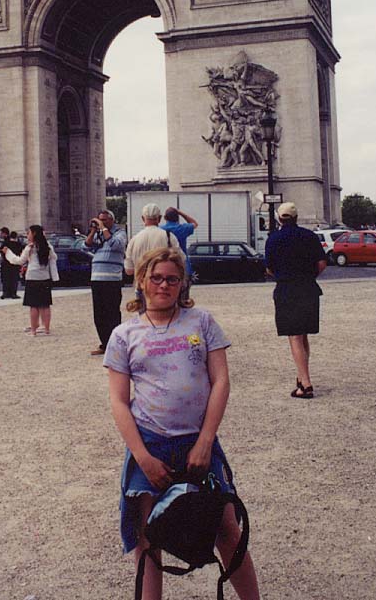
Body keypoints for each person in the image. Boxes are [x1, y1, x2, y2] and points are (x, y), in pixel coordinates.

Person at [104, 247, 260, 600]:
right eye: (156, 277)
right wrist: (142, 456)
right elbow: (118, 400)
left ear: (183, 284)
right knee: (148, 540)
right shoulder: (123, 335)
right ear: (141, 281)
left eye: (172, 279)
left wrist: (205, 441)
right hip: (150, 444)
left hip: (198, 442)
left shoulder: (202, 322)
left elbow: (221, 381)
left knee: (226, 531)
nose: (164, 285)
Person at [265, 201, 327, 399]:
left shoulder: (273, 239)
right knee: (303, 335)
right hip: (308, 288)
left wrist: (283, 276)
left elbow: (269, 269)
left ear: (279, 219)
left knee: (294, 336)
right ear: (296, 217)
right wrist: (308, 277)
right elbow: (322, 263)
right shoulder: (309, 236)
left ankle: (306, 384)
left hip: (286, 289)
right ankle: (301, 377)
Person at [85, 209, 128, 356]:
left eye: (104, 219)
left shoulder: (120, 233)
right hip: (97, 278)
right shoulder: (99, 234)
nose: (101, 222)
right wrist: (92, 231)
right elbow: (86, 246)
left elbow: (116, 245)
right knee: (99, 314)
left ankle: (116, 344)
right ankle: (104, 344)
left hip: (112, 279)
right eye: (99, 219)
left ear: (112, 220)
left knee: (112, 312)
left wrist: (103, 228)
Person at [3, 225, 59, 335]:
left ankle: (34, 330)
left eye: (28, 233)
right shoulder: (48, 246)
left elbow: (19, 261)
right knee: (45, 304)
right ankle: (46, 328)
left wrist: (7, 253)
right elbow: (54, 258)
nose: (27, 235)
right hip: (45, 277)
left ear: (33, 234)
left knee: (33, 305)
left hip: (32, 277)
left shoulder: (30, 248)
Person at [124, 203, 183, 278]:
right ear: (160, 218)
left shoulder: (134, 240)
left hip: (141, 285)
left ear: (143, 218)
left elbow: (129, 271)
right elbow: (181, 260)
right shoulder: (169, 237)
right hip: (162, 285)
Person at [159, 206, 198, 299]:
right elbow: (194, 223)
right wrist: (180, 212)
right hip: (183, 265)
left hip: (165, 266)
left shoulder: (160, 230)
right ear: (177, 217)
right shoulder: (183, 228)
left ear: (165, 218)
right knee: (184, 298)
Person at [0, 227, 22, 299]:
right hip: (15, 263)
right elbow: (21, 253)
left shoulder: (6, 243)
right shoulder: (19, 244)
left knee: (6, 279)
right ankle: (13, 293)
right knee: (14, 279)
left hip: (6, 263)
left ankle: (5, 293)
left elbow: (2, 251)